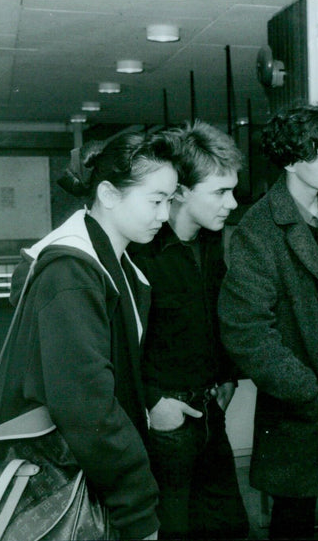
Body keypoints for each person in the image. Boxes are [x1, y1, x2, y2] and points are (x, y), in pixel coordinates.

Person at [0, 131, 181, 540]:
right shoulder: (74, 275)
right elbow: (88, 408)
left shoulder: (112, 265)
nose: (165, 215)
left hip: (88, 476)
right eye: (156, 200)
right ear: (109, 194)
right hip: (73, 482)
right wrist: (137, 508)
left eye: (170, 201)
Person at [218, 104, 318, 539]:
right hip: (302, 406)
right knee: (294, 523)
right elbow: (245, 331)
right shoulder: (258, 229)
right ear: (291, 160)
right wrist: (307, 390)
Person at [128, 120, 248, 539]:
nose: (232, 203)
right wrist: (153, 402)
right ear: (180, 192)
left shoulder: (215, 245)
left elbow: (215, 320)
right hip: (164, 424)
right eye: (220, 192)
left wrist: (228, 376)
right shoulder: (140, 254)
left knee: (230, 528)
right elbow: (116, 347)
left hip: (211, 414)